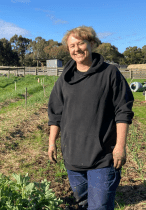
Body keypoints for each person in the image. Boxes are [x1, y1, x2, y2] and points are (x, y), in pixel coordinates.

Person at [47, 26, 134, 210]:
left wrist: (120, 146)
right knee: (83, 203)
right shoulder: (65, 78)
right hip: (72, 157)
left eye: (80, 43)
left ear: (92, 43)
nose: (76, 49)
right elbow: (55, 113)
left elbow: (123, 111)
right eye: (72, 45)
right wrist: (52, 142)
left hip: (102, 156)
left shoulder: (110, 73)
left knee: (99, 206)